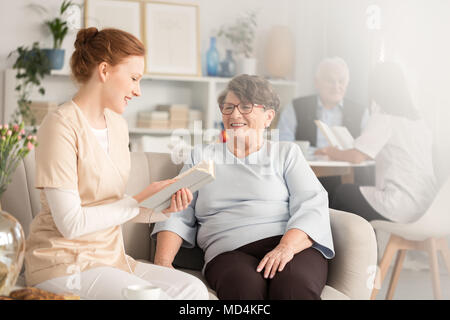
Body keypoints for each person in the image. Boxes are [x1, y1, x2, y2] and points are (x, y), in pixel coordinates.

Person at [24, 27, 209, 300]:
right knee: (149, 298)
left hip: (111, 259)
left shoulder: (118, 126)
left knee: (193, 290)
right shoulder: (60, 125)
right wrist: (136, 201)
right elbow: (71, 224)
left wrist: (163, 208)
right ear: (104, 71)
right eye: (134, 78)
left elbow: (115, 207)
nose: (138, 91)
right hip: (64, 265)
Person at [151, 75, 334, 300]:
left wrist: (285, 247)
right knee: (242, 288)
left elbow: (312, 204)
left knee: (293, 285)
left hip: (287, 244)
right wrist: (162, 265)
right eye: (228, 107)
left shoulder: (286, 153)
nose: (235, 115)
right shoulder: (203, 155)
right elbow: (178, 211)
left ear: (268, 117)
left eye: (245, 106)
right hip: (228, 251)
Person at [317, 61, 437, 223]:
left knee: (343, 192)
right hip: (428, 207)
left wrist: (331, 151)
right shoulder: (419, 121)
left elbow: (356, 157)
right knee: (357, 192)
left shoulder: (384, 117)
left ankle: (338, 245)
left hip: (400, 205)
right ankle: (363, 243)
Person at [277, 57, 370, 200]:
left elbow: (366, 152)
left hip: (346, 180)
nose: (336, 86)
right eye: (330, 80)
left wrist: (334, 153)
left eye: (341, 81)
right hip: (304, 175)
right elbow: (283, 142)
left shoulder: (361, 112)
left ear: (348, 83)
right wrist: (317, 152)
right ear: (316, 82)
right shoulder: (296, 106)